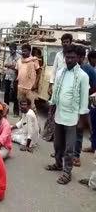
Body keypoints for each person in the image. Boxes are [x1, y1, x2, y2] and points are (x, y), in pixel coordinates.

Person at [45, 45, 89, 185]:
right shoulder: (60, 73)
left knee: (69, 148)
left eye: (72, 57)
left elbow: (84, 100)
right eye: (67, 57)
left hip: (72, 118)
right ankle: (58, 164)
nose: (69, 60)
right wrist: (51, 108)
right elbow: (56, 92)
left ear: (78, 58)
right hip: (59, 115)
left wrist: (81, 120)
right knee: (58, 144)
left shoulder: (83, 76)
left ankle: (67, 172)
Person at [42, 34, 73, 143]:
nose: (65, 43)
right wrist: (50, 85)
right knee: (52, 112)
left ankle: (60, 138)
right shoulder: (58, 55)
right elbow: (54, 71)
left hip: (68, 90)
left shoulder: (73, 56)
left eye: (67, 41)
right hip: (56, 89)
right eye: (64, 41)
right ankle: (51, 135)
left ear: (70, 42)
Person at [73, 45, 96, 167]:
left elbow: (94, 88)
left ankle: (76, 156)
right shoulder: (72, 69)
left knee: (79, 131)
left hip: (82, 105)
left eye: (76, 56)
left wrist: (85, 96)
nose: (73, 59)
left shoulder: (89, 70)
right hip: (71, 105)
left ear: (81, 57)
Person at [15, 44, 40, 112]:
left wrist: (35, 84)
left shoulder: (34, 60)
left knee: (32, 107)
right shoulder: (19, 61)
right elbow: (16, 71)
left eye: (25, 51)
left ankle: (33, 121)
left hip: (30, 88)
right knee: (22, 107)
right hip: (20, 87)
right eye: (22, 51)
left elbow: (38, 73)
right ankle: (23, 120)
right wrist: (17, 80)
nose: (23, 52)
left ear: (29, 51)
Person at [4, 42, 20, 117]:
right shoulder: (8, 56)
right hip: (8, 77)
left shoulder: (19, 57)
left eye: (12, 49)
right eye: (10, 49)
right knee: (6, 94)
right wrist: (12, 65)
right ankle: (5, 109)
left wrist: (10, 66)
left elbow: (18, 67)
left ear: (15, 49)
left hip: (15, 78)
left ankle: (16, 112)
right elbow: (5, 64)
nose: (11, 50)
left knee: (15, 95)